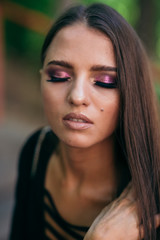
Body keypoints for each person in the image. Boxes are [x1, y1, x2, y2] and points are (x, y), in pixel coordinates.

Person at [10, 3, 160, 240]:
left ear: (132, 91)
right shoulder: (36, 152)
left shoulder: (154, 200)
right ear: (41, 78)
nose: (77, 96)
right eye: (59, 75)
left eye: (105, 80)